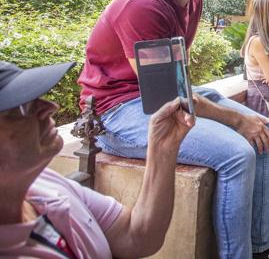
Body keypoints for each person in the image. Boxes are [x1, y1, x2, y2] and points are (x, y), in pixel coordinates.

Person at [78, 0, 269, 259]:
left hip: (161, 99)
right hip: (116, 112)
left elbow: (178, 81)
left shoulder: (193, 2)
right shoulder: (143, 4)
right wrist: (234, 120)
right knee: (238, 154)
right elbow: (168, 94)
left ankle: (263, 248)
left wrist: (231, 115)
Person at [0, 61, 194, 258]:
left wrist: (163, 148)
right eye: (20, 108)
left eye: (37, 98)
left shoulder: (44, 184)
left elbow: (135, 235)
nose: (51, 107)